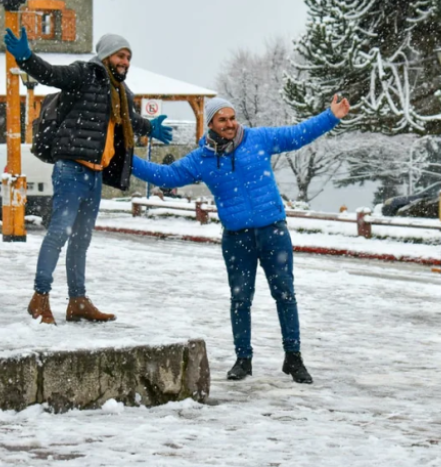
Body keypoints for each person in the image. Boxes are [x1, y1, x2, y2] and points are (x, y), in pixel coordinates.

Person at [131, 95, 350, 383]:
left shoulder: (258, 139)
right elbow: (168, 175)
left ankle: (293, 358)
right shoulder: (202, 160)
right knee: (240, 299)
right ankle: (243, 359)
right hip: (237, 238)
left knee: (285, 294)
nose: (231, 124)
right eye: (223, 120)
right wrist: (124, 159)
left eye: (232, 118)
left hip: (273, 231)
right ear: (210, 124)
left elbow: (297, 135)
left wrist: (330, 116)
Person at [3, 27, 173, 325]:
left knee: (81, 240)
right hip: (71, 168)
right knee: (59, 233)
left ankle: (78, 301)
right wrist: (27, 58)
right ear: (107, 55)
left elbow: (130, 120)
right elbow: (51, 74)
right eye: (121, 55)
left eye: (129, 57)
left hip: (95, 174)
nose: (126, 61)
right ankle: (39, 298)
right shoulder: (84, 74)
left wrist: (150, 127)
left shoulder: (121, 92)